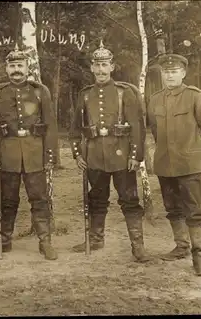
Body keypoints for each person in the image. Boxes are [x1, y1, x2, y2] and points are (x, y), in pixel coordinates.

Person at [69, 41, 152, 263]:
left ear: (112, 67)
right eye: (97, 65)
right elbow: (75, 128)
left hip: (122, 157)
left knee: (130, 201)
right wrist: (78, 154)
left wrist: (136, 156)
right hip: (94, 156)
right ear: (91, 68)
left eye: (105, 65)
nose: (101, 70)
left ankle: (138, 247)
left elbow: (137, 127)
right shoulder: (85, 95)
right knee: (96, 199)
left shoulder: (125, 92)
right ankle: (96, 239)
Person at [0, 44, 58, 260]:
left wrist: (50, 156)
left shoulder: (40, 91)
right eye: (12, 65)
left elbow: (50, 125)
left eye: (20, 65)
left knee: (39, 199)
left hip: (35, 153)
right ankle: (4, 240)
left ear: (27, 66)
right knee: (7, 199)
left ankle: (45, 241)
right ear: (6, 69)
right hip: (8, 153)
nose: (16, 70)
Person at [147, 53, 201, 276]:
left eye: (174, 71)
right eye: (166, 72)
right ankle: (181, 246)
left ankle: (200, 256)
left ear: (183, 73)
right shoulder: (155, 99)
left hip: (190, 165)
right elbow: (156, 131)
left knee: (194, 211)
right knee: (173, 209)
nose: (169, 75)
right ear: (162, 75)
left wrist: (195, 152)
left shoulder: (196, 97)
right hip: (165, 164)